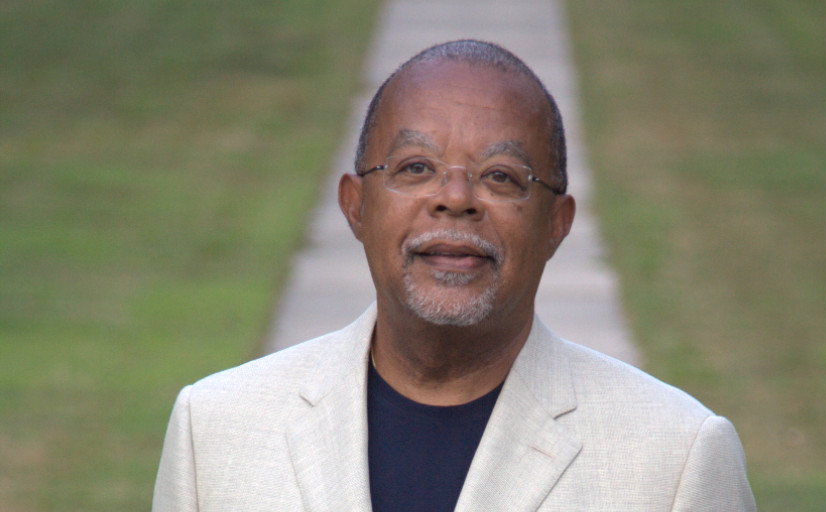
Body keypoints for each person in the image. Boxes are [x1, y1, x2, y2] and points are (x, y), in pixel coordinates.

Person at [152, 40, 756, 511]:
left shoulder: (675, 456)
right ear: (356, 206)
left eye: (501, 176)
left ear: (557, 223)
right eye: (416, 167)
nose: (456, 197)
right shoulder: (215, 428)